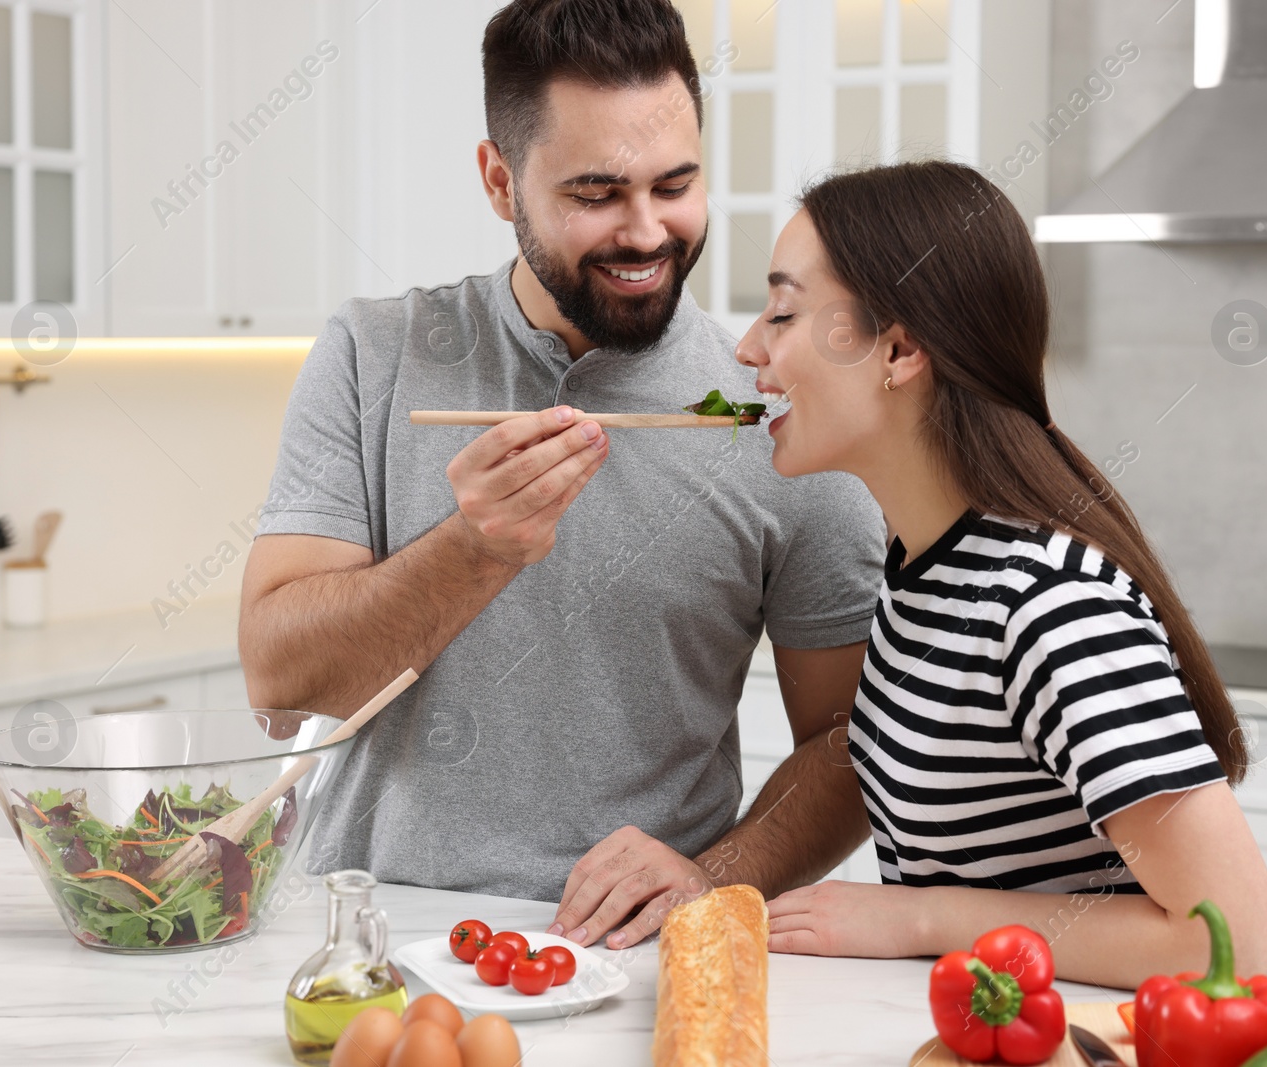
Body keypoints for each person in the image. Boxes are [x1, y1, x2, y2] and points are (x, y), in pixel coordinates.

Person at [240, 0, 886, 949]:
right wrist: (471, 550)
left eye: (676, 184)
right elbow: (279, 685)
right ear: (501, 182)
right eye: (596, 194)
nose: (646, 232)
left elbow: (848, 745)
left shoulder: (777, 409)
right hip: (364, 936)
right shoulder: (375, 356)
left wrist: (713, 878)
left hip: (632, 952)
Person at [734, 160, 1267, 988]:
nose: (749, 347)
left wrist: (923, 918)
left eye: (783, 311)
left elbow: (1238, 946)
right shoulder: (920, 564)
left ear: (900, 346)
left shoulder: (1046, 602)